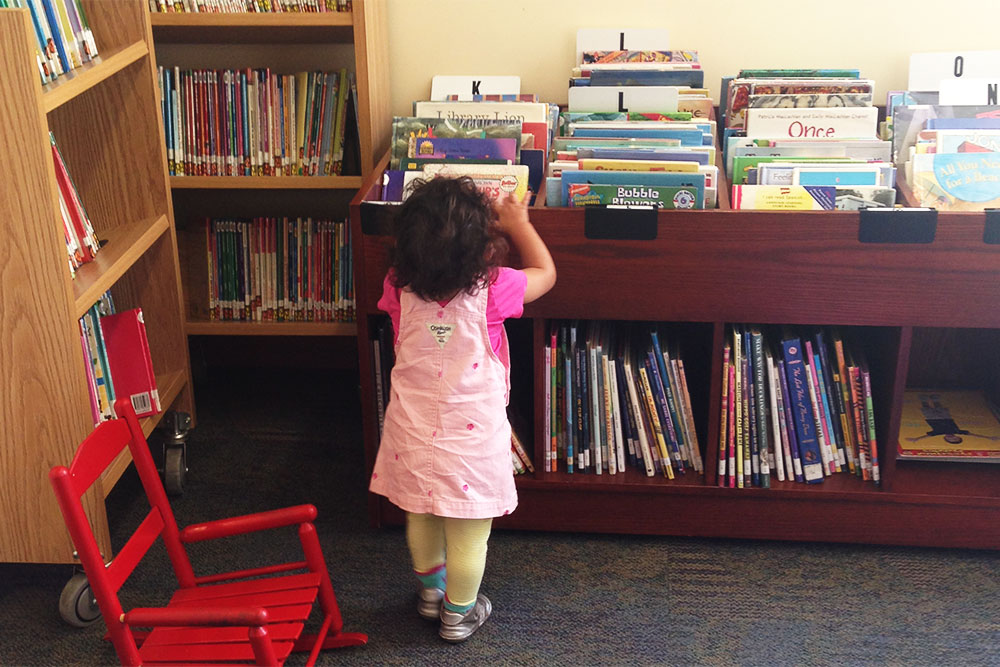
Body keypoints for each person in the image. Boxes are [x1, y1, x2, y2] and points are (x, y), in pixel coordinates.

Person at [369, 176, 556, 643]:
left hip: (411, 431)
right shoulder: (497, 288)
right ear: (483, 246)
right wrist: (519, 224)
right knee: (470, 531)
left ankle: (431, 595)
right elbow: (546, 274)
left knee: (422, 513)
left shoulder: (396, 286)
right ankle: (459, 612)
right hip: (471, 439)